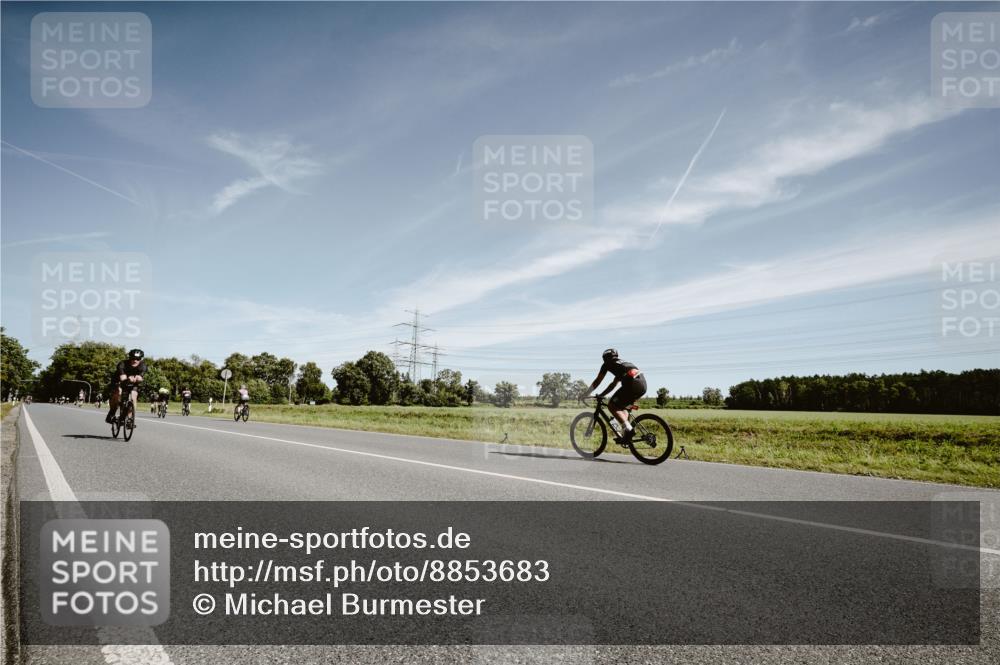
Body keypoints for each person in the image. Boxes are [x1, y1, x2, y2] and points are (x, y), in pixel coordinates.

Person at [581, 348, 647, 443]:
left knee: (612, 405)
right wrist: (602, 394)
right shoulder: (622, 364)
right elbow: (613, 385)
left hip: (631, 383)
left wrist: (586, 394)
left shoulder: (607, 364)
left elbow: (597, 381)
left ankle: (629, 430)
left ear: (605, 359)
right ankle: (626, 435)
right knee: (623, 408)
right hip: (643, 385)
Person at [106, 349, 146, 424]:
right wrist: (129, 378)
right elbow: (122, 378)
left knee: (133, 396)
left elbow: (140, 378)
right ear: (129, 358)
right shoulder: (122, 364)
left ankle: (130, 419)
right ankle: (112, 413)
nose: (135, 361)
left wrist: (139, 378)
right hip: (119, 380)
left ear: (140, 359)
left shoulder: (143, 366)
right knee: (118, 392)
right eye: (133, 358)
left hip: (133, 382)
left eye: (138, 359)